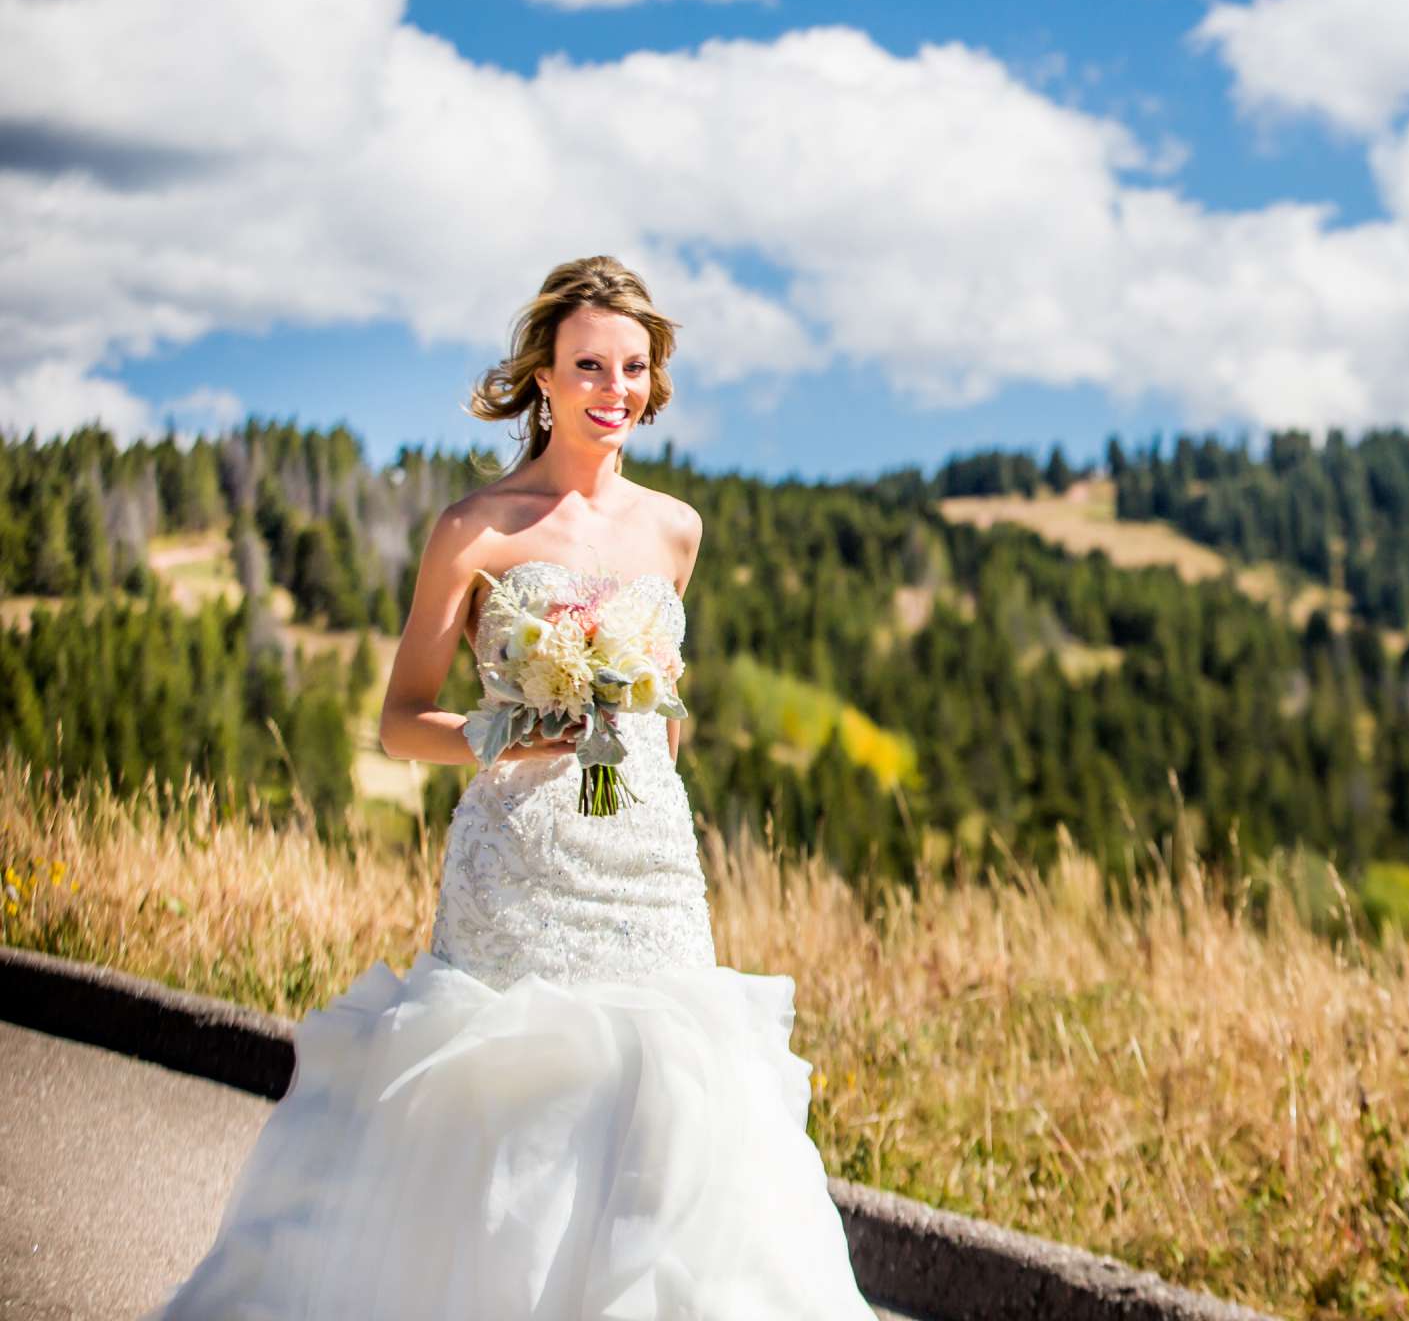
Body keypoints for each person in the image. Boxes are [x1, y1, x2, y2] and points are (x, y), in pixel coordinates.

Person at [142, 256, 878, 1319]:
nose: (613, 390)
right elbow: (400, 721)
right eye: (588, 365)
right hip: (517, 863)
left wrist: (640, 784)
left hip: (647, 867)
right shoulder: (476, 528)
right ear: (542, 374)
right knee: (510, 1115)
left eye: (633, 367)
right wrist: (507, 729)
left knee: (668, 1107)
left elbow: (666, 711)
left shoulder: (676, 529)